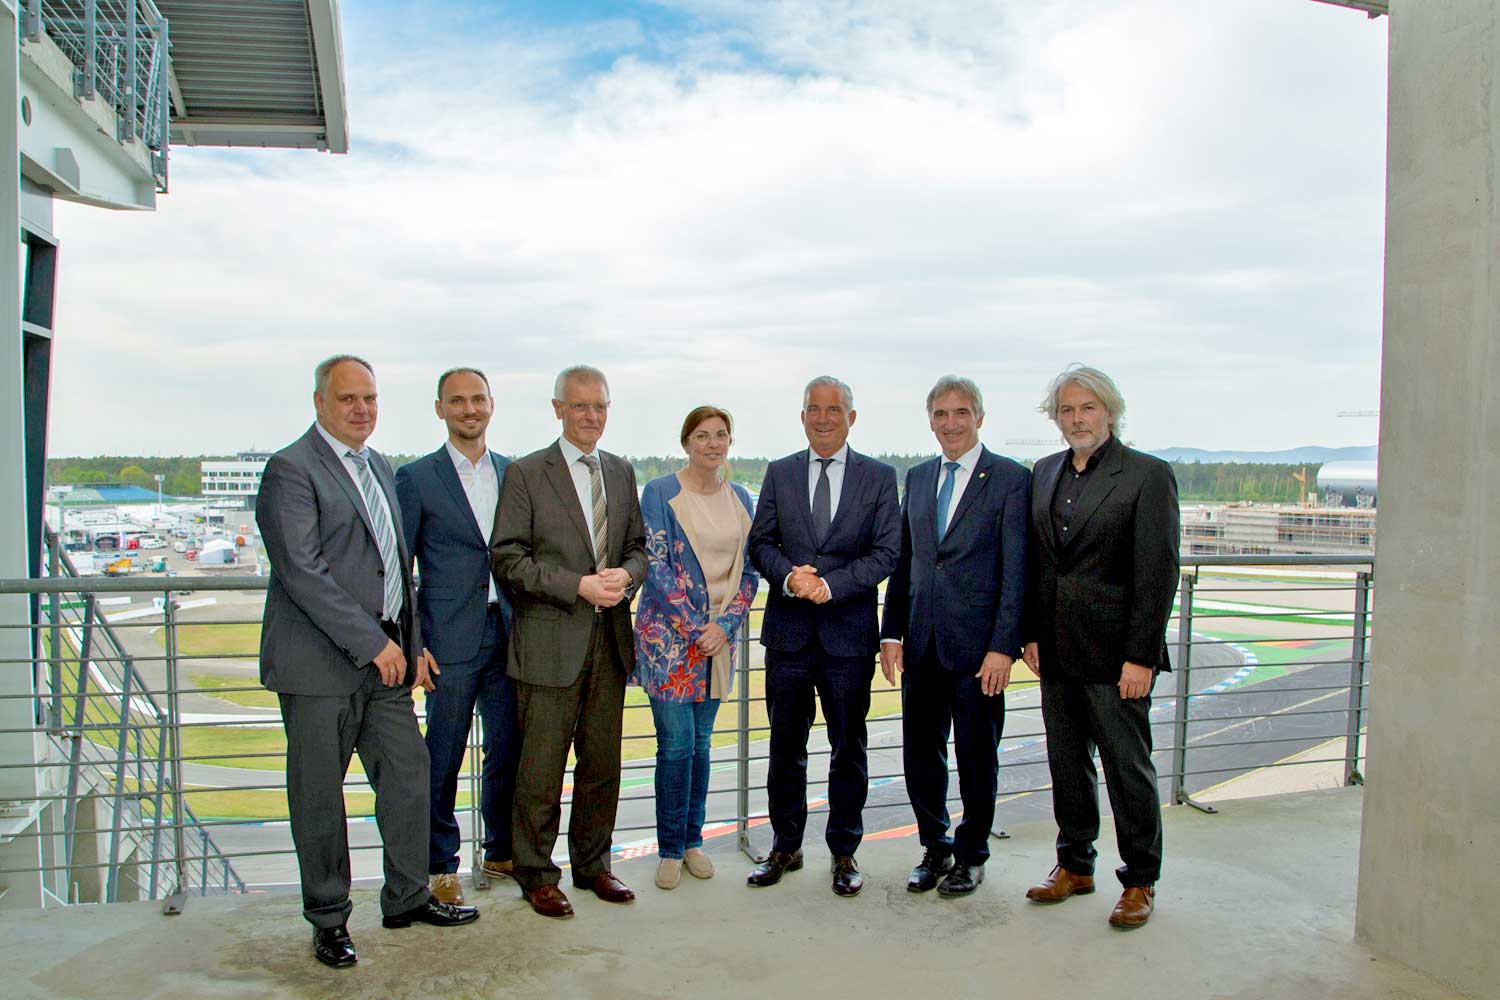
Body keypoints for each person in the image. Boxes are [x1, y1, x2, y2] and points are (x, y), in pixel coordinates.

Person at [257, 355, 478, 970]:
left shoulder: (379, 465)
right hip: (318, 667)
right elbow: (303, 572)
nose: (362, 409)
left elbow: (395, 567)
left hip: (386, 663)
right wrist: (374, 642)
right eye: (349, 398)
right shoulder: (290, 470)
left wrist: (407, 646)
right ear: (320, 402)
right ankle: (329, 920)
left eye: (371, 399)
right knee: (320, 798)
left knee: (408, 776)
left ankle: (406, 896)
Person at [1020, 364, 1179, 929]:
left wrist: (1141, 656)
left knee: (1127, 770)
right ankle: (1075, 865)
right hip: (1056, 653)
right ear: (1055, 418)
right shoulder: (1042, 474)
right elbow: (1038, 565)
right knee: (1067, 765)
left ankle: (1139, 879)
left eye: (1088, 408)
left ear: (1109, 412)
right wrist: (1029, 634)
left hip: (1117, 659)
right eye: (1067, 409)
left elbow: (1158, 573)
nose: (1077, 418)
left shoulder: (1146, 475)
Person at [491, 364, 648, 918]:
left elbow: (638, 547)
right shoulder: (527, 474)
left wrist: (626, 577)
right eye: (580, 406)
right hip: (548, 645)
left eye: (600, 406)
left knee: (602, 764)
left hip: (609, 642)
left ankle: (593, 865)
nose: (591, 416)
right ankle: (536, 873)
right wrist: (577, 585)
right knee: (540, 768)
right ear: (557, 409)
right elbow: (507, 558)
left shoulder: (623, 473)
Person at [745, 375, 900, 897]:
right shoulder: (780, 473)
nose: (824, 418)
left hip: (848, 637)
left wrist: (830, 586)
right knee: (785, 746)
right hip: (788, 636)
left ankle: (844, 851)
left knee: (847, 748)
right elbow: (760, 544)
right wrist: (791, 578)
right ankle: (785, 846)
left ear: (851, 418)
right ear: (803, 415)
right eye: (814, 408)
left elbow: (886, 553)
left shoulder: (878, 478)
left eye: (834, 409)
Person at [879, 376, 1030, 897]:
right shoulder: (918, 478)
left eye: (961, 413)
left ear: (980, 418)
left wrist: (1003, 647)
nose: (950, 424)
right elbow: (907, 562)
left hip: (978, 652)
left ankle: (971, 854)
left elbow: (1017, 572)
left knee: (975, 757)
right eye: (941, 414)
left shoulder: (1010, 479)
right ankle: (935, 847)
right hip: (921, 645)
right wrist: (891, 633)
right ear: (930, 420)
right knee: (920, 755)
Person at [394, 367, 519, 906]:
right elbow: (399, 567)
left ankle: (501, 851)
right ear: (440, 409)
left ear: (492, 405)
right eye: (457, 401)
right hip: (446, 640)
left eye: (478, 399)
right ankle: (439, 864)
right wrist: (413, 640)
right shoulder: (416, 478)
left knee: (508, 749)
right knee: (441, 756)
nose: (470, 409)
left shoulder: (516, 474)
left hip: (511, 632)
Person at [633, 406, 759, 890]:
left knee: (702, 746)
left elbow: (749, 572)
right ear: (686, 442)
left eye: (721, 435)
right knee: (676, 745)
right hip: (669, 642)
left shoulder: (742, 497)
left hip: (717, 645)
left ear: (730, 442)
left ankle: (692, 841)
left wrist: (724, 627)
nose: (712, 443)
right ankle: (668, 848)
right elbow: (656, 566)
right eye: (702, 435)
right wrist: (696, 627)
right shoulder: (662, 492)